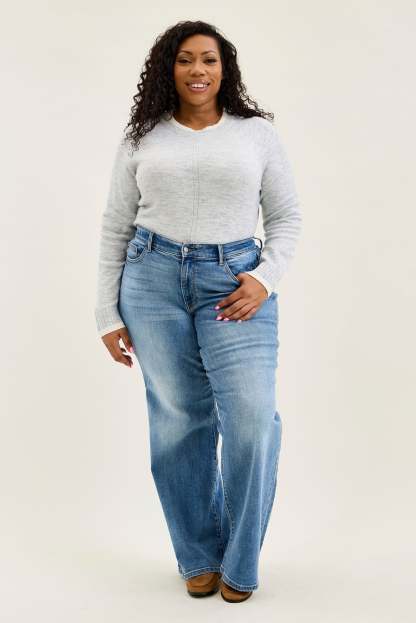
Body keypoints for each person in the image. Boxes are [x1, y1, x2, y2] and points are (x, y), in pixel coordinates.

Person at [94, 20, 302, 603]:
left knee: (252, 419)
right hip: (151, 281)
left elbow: (286, 217)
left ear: (224, 67)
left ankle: (240, 560)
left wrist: (264, 279)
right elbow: (115, 225)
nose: (197, 70)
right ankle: (197, 555)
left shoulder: (256, 134)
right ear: (169, 68)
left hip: (233, 284)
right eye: (185, 59)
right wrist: (106, 313)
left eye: (208, 59)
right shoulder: (142, 136)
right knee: (179, 420)